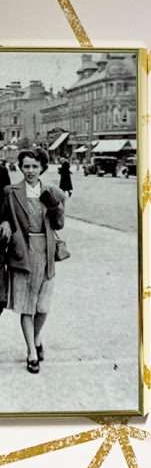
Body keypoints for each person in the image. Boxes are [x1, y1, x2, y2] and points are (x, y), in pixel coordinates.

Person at [0, 149, 65, 374]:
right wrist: (6, 223)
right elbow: (3, 215)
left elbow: (59, 224)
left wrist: (55, 205)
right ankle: (31, 352)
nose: (30, 171)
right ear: (20, 167)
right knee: (27, 307)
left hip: (45, 254)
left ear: (42, 168)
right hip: (22, 254)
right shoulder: (10, 192)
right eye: (26, 166)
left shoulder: (51, 191)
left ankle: (37, 338)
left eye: (34, 166)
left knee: (43, 307)